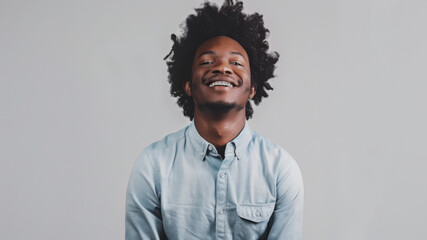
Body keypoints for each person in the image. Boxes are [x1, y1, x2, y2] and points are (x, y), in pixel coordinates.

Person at [125, 1, 304, 239]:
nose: (222, 68)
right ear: (188, 86)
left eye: (236, 63)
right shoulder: (152, 166)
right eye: (207, 62)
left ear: (252, 88)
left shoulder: (281, 170)